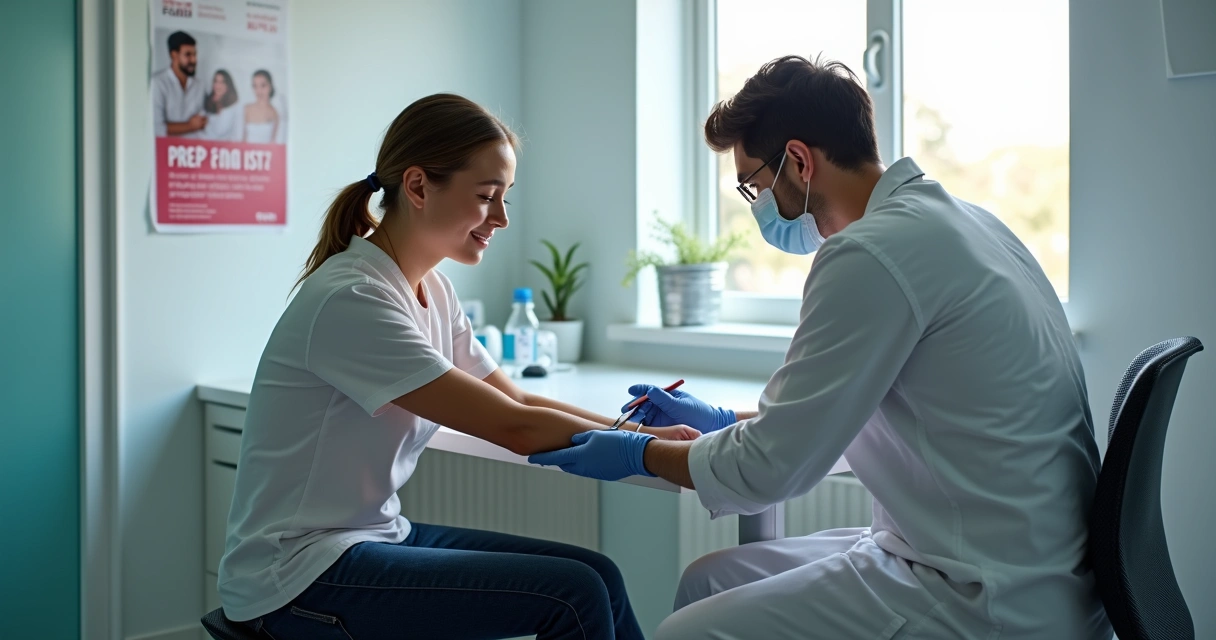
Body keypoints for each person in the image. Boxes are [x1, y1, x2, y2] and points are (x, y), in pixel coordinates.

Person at [530, 55, 1113, 640]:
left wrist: (636, 453)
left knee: (685, 633)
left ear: (800, 161)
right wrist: (722, 423)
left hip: (984, 592)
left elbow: (769, 470)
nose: (759, 203)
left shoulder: (872, 253)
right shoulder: (966, 223)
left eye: (755, 184)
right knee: (710, 580)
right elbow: (838, 419)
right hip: (1009, 560)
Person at [218, 93, 698, 640]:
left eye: (505, 197)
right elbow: (511, 426)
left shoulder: (435, 291)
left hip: (372, 537)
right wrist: (653, 453)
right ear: (419, 186)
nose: (501, 218)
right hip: (298, 574)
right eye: (487, 196)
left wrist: (637, 431)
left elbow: (515, 401)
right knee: (572, 595)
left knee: (599, 577)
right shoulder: (352, 297)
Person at [151, 31, 206, 138]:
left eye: (195, 54)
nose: (193, 60)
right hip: (165, 150)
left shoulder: (199, 85)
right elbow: (156, 128)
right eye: (188, 55)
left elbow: (203, 121)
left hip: (194, 150)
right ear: (174, 55)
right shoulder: (157, 82)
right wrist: (190, 126)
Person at [200, 69, 241, 141]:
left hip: (226, 148)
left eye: (222, 82)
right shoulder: (208, 102)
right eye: (216, 81)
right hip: (206, 146)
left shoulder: (235, 107)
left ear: (228, 85)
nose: (218, 85)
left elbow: (236, 136)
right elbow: (200, 129)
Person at [242, 69, 279, 143]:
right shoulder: (246, 109)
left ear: (270, 86)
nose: (258, 90)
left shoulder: (274, 113)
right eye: (255, 86)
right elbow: (241, 139)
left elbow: (274, 142)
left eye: (263, 85)